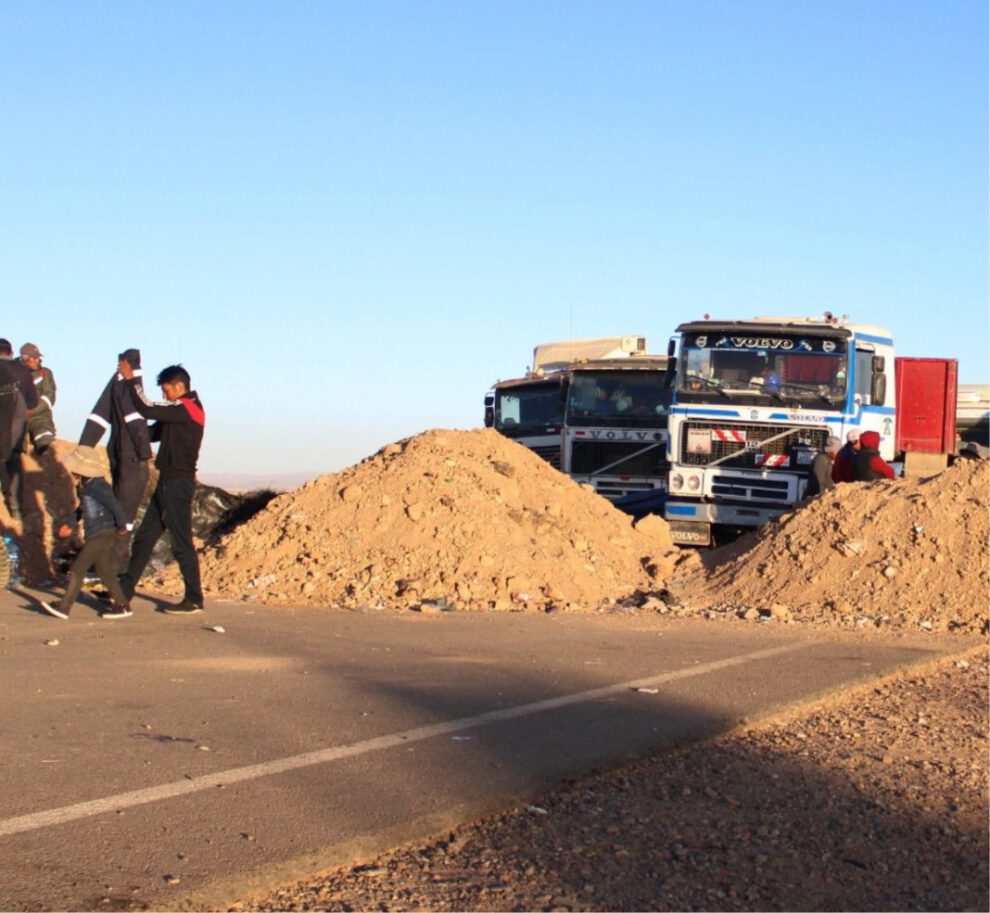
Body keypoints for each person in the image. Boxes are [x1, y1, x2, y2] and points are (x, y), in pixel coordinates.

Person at [117, 362, 206, 615]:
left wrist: (130, 380)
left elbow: (147, 407)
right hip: (167, 482)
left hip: (177, 483)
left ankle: (194, 598)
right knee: (144, 539)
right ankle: (124, 590)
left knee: (181, 541)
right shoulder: (179, 413)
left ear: (180, 387)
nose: (165, 396)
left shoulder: (186, 408)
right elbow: (152, 432)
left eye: (167, 391)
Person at [79, 349, 153, 573]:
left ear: (126, 364)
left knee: (125, 519)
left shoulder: (131, 389)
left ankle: (116, 572)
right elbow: (99, 417)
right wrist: (83, 451)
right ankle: (108, 569)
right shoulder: (120, 386)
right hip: (122, 458)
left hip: (133, 462)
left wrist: (143, 454)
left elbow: (136, 423)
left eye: (121, 364)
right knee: (117, 515)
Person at [39, 445, 132, 620]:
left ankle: (64, 607)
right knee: (103, 570)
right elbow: (82, 509)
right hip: (98, 533)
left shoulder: (99, 486)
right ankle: (122, 605)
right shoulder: (86, 486)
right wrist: (69, 524)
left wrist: (122, 527)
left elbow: (114, 505)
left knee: (77, 568)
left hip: (103, 532)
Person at [0, 339, 39, 521]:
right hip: (17, 426)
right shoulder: (23, 371)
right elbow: (33, 402)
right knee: (14, 462)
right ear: (10, 352)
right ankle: (16, 509)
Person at [19, 343, 57, 456]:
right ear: (25, 358)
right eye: (33, 357)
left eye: (38, 357)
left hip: (39, 415)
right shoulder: (13, 372)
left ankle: (44, 452)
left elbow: (50, 396)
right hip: (17, 416)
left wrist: (32, 411)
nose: (37, 360)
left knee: (44, 436)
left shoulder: (45, 373)